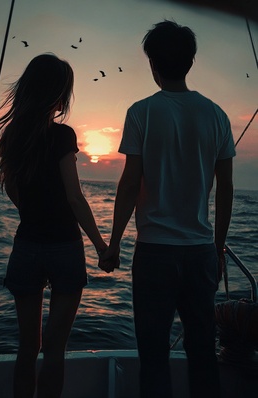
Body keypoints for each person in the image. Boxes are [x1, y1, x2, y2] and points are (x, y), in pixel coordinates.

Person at [99, 20, 235, 398]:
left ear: (152, 64)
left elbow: (129, 185)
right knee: (203, 352)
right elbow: (225, 188)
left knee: (154, 354)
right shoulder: (217, 115)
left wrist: (113, 245)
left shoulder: (141, 112)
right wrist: (218, 245)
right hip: (200, 252)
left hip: (154, 252)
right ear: (191, 62)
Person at [0, 53, 107, 398]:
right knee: (54, 349)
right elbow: (75, 198)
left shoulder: (11, 136)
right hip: (64, 248)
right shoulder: (62, 136)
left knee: (28, 348)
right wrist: (102, 247)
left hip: (27, 245)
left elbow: (13, 189)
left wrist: (33, 212)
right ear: (58, 95)